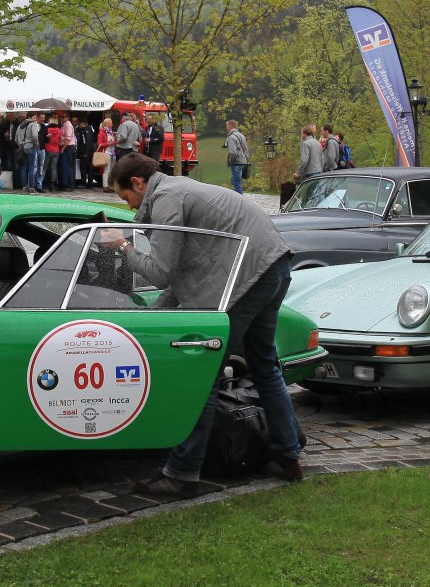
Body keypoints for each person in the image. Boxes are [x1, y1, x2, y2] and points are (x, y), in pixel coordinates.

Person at [105, 152, 305, 495]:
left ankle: (182, 473)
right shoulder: (178, 189)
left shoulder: (167, 198)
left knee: (203, 376)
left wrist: (122, 246)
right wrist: (151, 316)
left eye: (126, 197)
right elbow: (181, 274)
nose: (129, 207)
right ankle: (288, 456)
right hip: (273, 265)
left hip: (249, 275)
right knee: (264, 367)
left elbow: (160, 272)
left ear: (138, 183)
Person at [224, 119, 250, 194]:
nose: (226, 128)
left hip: (236, 162)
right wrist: (246, 160)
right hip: (244, 162)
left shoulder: (231, 137)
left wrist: (231, 161)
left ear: (230, 126)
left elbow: (233, 153)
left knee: (237, 183)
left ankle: (239, 199)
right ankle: (234, 195)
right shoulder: (242, 136)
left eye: (227, 126)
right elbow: (246, 150)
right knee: (235, 180)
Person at [96, 116, 116, 191]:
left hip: (112, 153)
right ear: (107, 124)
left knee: (111, 170)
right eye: (111, 123)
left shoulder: (110, 132)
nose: (112, 124)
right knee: (107, 170)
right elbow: (99, 144)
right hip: (106, 152)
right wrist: (109, 144)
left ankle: (110, 185)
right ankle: (105, 186)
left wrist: (115, 142)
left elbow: (113, 142)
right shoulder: (102, 133)